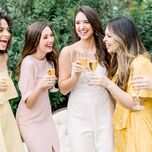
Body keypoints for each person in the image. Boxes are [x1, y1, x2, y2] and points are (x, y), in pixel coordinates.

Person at [89, 16, 152, 151]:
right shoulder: (121, 66)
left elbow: (135, 104)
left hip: (139, 132)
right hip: (124, 131)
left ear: (122, 37)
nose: (104, 39)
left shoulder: (141, 63)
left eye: (109, 36)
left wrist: (107, 83)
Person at [59, 5, 114, 152]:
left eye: (86, 22)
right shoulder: (68, 52)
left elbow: (115, 82)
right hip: (79, 113)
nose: (81, 27)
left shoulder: (106, 49)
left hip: (104, 110)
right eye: (77, 23)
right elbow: (63, 90)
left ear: (93, 23)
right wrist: (74, 76)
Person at [15, 21, 60, 152]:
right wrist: (40, 86)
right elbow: (28, 103)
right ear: (34, 40)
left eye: (51, 35)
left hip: (46, 118)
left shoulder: (49, 62)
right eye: (45, 37)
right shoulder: (28, 63)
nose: (51, 39)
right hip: (30, 121)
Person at [0, 12, 25, 152]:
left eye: (8, 30)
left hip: (5, 113)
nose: (7, 34)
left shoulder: (4, 57)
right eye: (0, 30)